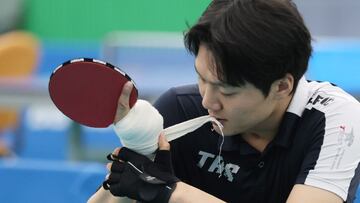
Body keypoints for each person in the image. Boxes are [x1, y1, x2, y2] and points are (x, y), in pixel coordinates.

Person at [88, 0, 360, 202]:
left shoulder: (337, 120)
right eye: (201, 78)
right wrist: (134, 163)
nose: (208, 101)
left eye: (227, 91)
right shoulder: (180, 109)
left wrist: (172, 192)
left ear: (282, 85)